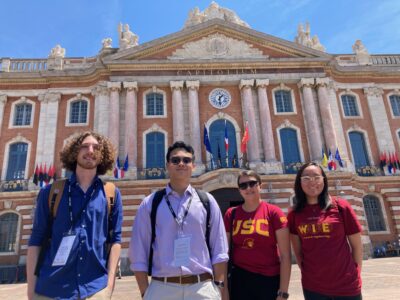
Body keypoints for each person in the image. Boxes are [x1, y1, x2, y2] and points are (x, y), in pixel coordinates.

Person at [26, 131, 123, 300]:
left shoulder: (111, 194)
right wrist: (31, 290)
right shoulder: (51, 193)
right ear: (74, 153)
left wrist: (109, 284)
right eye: (84, 146)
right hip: (51, 289)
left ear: (102, 155)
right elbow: (36, 240)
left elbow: (115, 240)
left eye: (96, 147)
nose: (90, 150)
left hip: (95, 289)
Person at [129, 141, 228, 300]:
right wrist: (145, 292)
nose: (181, 164)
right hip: (162, 288)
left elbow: (220, 250)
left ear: (193, 166)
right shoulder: (150, 204)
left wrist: (219, 287)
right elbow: (138, 250)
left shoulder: (207, 202)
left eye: (186, 160)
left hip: (201, 288)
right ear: (168, 165)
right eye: (175, 160)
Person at [288, 162, 362, 300]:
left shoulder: (341, 206)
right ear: (299, 182)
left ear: (324, 180)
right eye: (306, 178)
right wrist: (309, 274)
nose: (312, 182)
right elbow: (298, 252)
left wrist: (356, 274)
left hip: (347, 286)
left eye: (316, 177)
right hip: (314, 288)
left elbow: (357, 246)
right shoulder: (294, 214)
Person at [224, 170, 291, 300]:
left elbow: (285, 255)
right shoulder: (231, 214)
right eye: (243, 186)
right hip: (239, 280)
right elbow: (224, 253)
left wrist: (283, 292)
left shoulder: (274, 213)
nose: (248, 188)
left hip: (269, 280)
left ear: (260, 185)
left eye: (252, 183)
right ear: (239, 190)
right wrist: (224, 289)